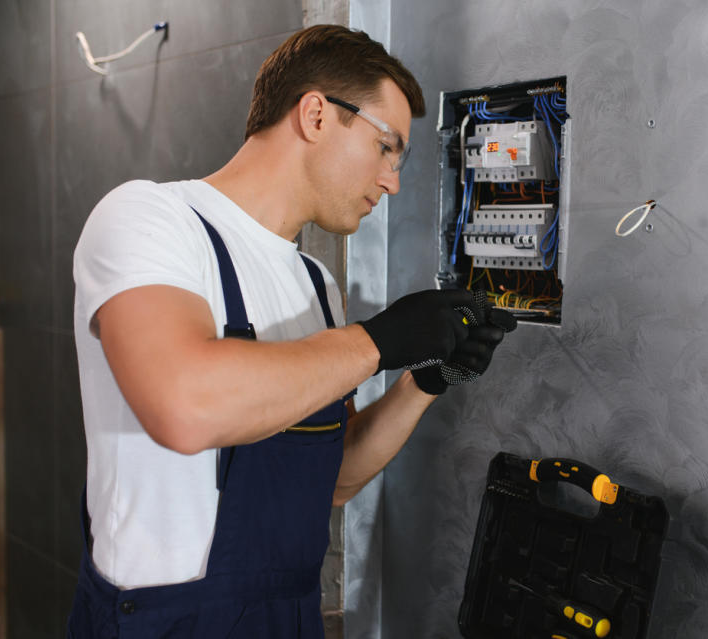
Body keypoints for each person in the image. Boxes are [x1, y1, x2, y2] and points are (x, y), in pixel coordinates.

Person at [66, 24, 515, 638]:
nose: (393, 181)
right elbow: (184, 405)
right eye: (388, 147)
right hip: (171, 623)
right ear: (316, 115)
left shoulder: (315, 284)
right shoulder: (151, 220)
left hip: (289, 619)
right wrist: (378, 341)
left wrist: (425, 381)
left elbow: (333, 479)